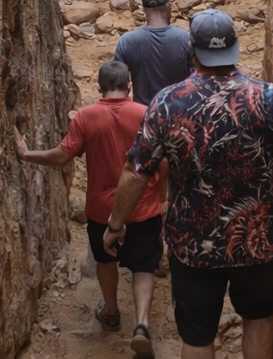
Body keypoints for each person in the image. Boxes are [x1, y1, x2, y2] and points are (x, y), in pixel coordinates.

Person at [102, 11, 273, 359]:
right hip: (257, 242)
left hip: (193, 248)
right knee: (259, 318)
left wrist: (115, 226)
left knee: (198, 337)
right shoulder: (268, 99)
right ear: (234, 49)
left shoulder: (167, 104)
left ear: (193, 52)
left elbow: (135, 172)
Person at [16, 61, 163, 355]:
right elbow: (165, 161)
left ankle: (110, 312)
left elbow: (61, 157)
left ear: (98, 87)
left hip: (101, 210)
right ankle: (142, 323)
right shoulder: (146, 114)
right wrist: (161, 195)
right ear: (128, 86)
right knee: (144, 266)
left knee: (105, 261)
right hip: (143, 205)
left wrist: (25, 153)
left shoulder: (86, 116)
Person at [113, 0, 193, 105]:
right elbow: (197, 81)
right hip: (177, 115)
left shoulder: (127, 41)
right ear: (168, 5)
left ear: (144, 9)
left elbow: (118, 88)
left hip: (143, 115)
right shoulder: (186, 39)